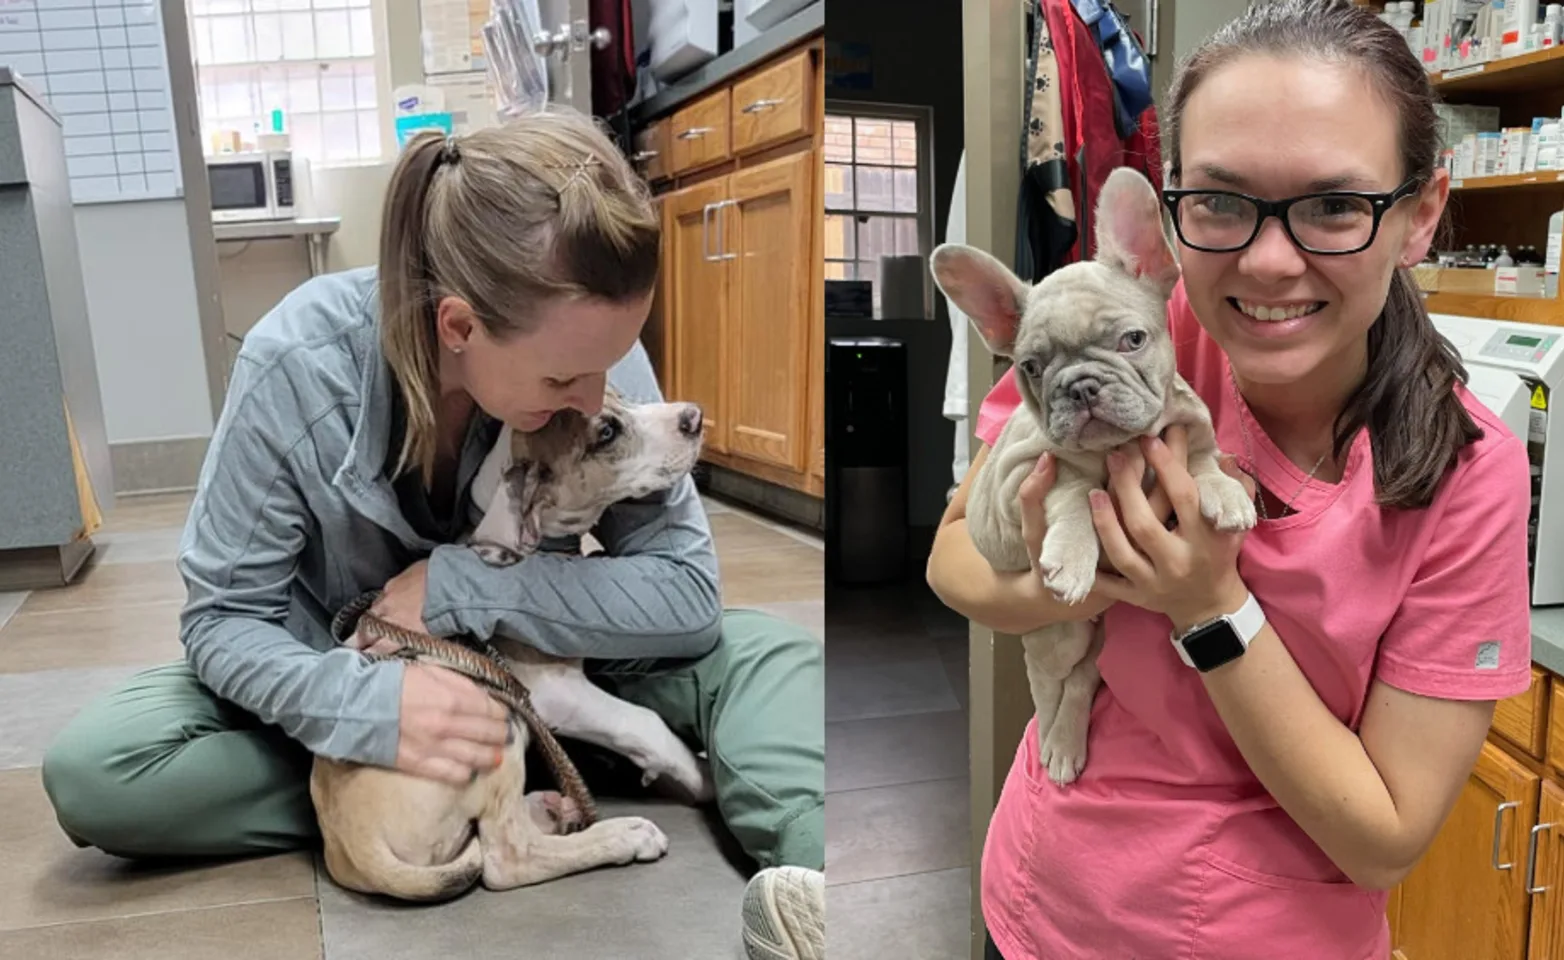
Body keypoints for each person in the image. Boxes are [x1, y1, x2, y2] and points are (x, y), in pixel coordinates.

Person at [39, 107, 824, 960]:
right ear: (458, 326)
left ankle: (814, 889)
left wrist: (463, 585)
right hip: (347, 678)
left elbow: (688, 596)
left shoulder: (592, 347)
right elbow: (223, 620)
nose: (600, 398)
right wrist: (368, 712)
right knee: (101, 768)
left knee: (770, 658)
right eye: (565, 376)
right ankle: (444, 789)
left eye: (615, 363)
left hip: (555, 670)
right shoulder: (297, 367)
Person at [926, 2, 1534, 958]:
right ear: (1166, 224)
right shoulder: (1116, 338)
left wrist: (1207, 603)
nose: (1268, 258)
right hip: (1043, 900)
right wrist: (1067, 572)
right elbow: (952, 566)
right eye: (1220, 201)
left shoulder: (1468, 471)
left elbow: (1386, 837)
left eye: (1337, 206)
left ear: (1420, 216)